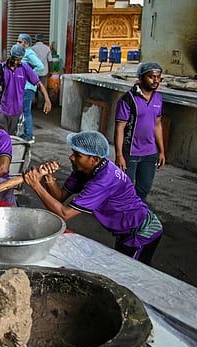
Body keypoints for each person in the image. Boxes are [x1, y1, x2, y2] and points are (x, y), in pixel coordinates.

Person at [24, 131, 163, 265]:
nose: (71, 157)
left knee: (133, 277)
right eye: (73, 153)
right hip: (126, 230)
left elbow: (64, 214)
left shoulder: (103, 180)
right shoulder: (83, 170)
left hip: (142, 232)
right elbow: (59, 197)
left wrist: (36, 185)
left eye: (77, 155)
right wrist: (48, 176)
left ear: (94, 159)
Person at [114, 61, 165, 202]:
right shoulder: (128, 99)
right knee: (124, 188)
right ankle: (119, 215)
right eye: (151, 77)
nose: (156, 80)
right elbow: (120, 128)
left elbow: (158, 125)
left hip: (150, 153)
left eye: (158, 77)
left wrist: (161, 151)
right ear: (141, 78)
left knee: (144, 189)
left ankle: (134, 213)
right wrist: (119, 155)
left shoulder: (158, 99)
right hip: (130, 152)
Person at [0, 44, 51, 136]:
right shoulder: (1, 68)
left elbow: (39, 84)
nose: (16, 61)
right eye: (14, 58)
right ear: (11, 55)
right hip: (2, 110)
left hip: (17, 111)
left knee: (12, 138)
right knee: (1, 137)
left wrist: (47, 100)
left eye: (19, 59)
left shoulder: (25, 68)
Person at [16, 34, 45, 142]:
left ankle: (28, 135)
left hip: (27, 88)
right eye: (17, 41)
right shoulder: (22, 53)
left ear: (26, 43)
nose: (17, 44)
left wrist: (29, 75)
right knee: (22, 111)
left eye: (20, 42)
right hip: (21, 86)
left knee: (26, 111)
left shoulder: (29, 53)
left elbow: (40, 66)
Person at [32, 34, 52, 109]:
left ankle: (32, 104)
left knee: (33, 88)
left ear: (35, 40)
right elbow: (50, 61)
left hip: (34, 72)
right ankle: (40, 105)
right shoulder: (47, 48)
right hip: (44, 72)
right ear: (43, 40)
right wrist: (50, 72)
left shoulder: (32, 49)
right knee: (43, 89)